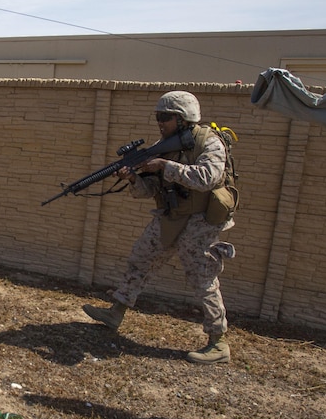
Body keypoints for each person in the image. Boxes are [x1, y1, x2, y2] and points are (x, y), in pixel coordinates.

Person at [82, 91, 237, 364]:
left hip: (201, 220)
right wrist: (132, 179)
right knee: (141, 258)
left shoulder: (209, 142)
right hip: (172, 214)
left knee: (202, 277)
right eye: (158, 117)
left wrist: (165, 165)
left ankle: (218, 342)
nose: (160, 123)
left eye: (165, 117)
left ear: (182, 118)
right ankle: (115, 312)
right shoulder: (163, 144)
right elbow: (150, 189)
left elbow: (207, 178)